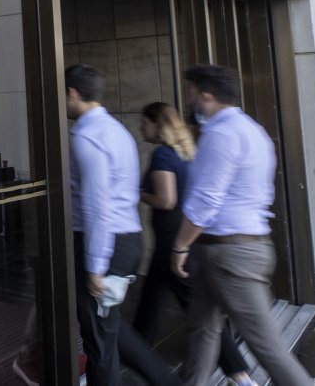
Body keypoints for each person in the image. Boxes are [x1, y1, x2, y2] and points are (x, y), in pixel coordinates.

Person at [171, 65, 311, 386]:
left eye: (191, 94)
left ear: (207, 96)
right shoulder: (253, 130)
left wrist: (180, 245)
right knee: (203, 329)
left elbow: (206, 201)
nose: (188, 101)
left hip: (231, 253)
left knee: (267, 347)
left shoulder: (221, 134)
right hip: (230, 248)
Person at [130, 102, 253, 386]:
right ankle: (131, 352)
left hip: (170, 241)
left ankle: (240, 375)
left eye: (144, 122)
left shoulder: (162, 155)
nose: (140, 127)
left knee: (197, 311)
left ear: (157, 125)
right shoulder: (185, 153)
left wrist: (137, 193)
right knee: (152, 302)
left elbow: (166, 199)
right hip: (178, 238)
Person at [65, 64, 144, 384]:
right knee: (106, 334)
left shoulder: (87, 136)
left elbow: (97, 206)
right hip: (126, 236)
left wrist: (95, 265)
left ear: (72, 93)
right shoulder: (116, 130)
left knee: (99, 345)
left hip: (104, 242)